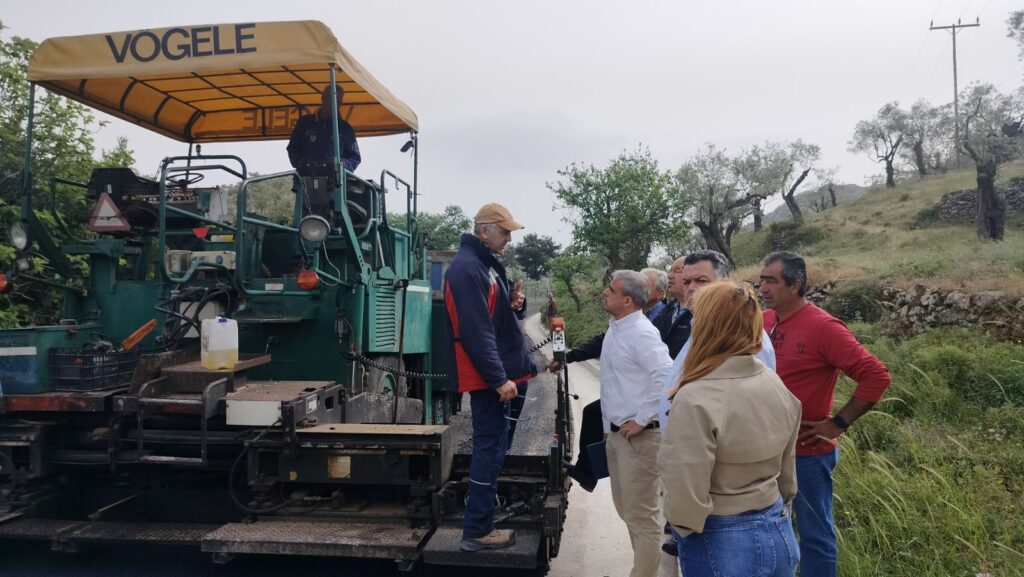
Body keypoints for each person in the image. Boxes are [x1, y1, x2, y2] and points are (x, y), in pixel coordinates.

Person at [758, 251, 892, 577]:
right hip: (763, 451)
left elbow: (876, 375)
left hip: (806, 453)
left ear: (796, 285)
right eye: (761, 280)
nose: (762, 288)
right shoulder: (764, 321)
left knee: (814, 534)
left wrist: (838, 423)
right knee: (769, 527)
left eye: (771, 281)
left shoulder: (824, 328)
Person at [659, 281, 802, 577]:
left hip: (721, 536)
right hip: (777, 526)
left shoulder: (696, 396)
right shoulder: (774, 382)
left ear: (707, 326)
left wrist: (686, 528)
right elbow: (787, 472)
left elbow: (685, 489)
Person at [657, 249, 776, 556]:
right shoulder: (704, 331)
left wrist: (690, 518)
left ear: (725, 283)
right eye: (687, 281)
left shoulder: (745, 339)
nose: (692, 289)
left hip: (720, 494)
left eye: (702, 280)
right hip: (697, 478)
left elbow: (747, 418)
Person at [443, 203, 536, 552]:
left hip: (501, 373)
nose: (509, 239)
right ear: (484, 231)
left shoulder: (484, 266)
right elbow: (476, 331)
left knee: (496, 447)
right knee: (489, 447)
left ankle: (480, 520)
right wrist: (498, 379)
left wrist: (514, 306)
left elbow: (492, 318)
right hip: (490, 381)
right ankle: (477, 529)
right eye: (505, 231)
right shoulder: (468, 269)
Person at [599, 270, 674, 577]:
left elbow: (666, 376)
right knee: (627, 512)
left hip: (640, 440)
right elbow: (611, 383)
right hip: (618, 438)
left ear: (627, 300)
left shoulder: (641, 333)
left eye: (611, 290)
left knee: (642, 517)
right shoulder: (616, 328)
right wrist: (608, 427)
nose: (605, 293)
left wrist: (642, 419)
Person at [287, 84, 361, 172]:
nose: (335, 104)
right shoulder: (305, 123)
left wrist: (340, 164)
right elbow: (292, 148)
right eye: (331, 100)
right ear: (323, 99)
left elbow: (354, 158)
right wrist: (302, 163)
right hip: (306, 178)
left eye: (339, 101)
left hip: (334, 182)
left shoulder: (345, 129)